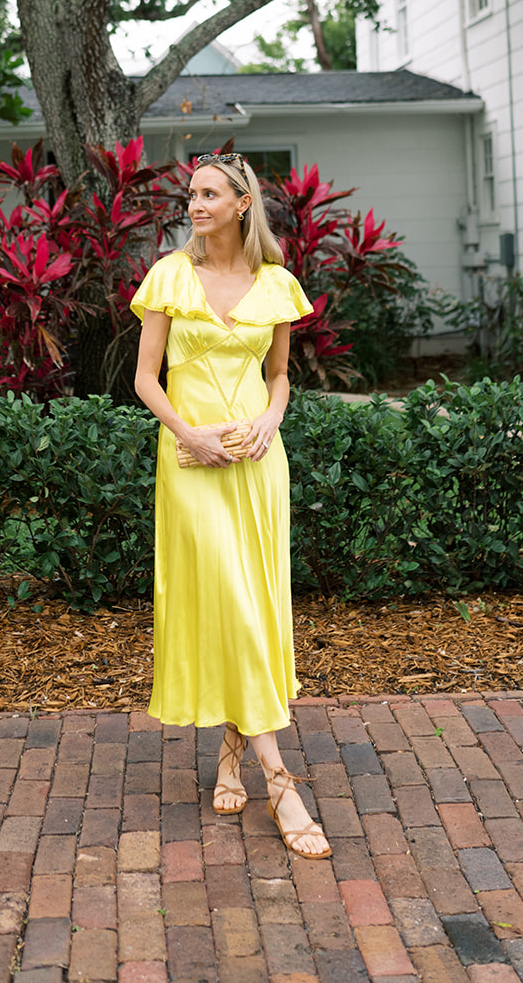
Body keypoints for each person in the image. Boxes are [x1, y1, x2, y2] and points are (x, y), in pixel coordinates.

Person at [132, 150, 331, 861]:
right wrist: (188, 435)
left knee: (250, 602)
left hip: (256, 461)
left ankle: (229, 756)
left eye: (210, 194)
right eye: (191, 193)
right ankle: (281, 785)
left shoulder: (275, 284)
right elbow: (145, 378)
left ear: (243, 204)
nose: (196, 204)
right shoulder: (169, 275)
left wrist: (271, 422)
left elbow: (278, 379)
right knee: (229, 598)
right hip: (191, 462)